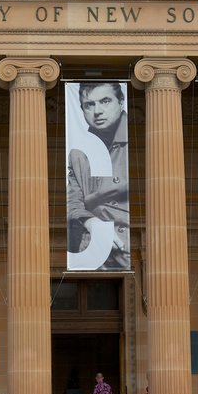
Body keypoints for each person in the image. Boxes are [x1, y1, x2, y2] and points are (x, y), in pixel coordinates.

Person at [67, 83, 130, 270]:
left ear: (121, 102)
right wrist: (92, 223)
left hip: (128, 245)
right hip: (93, 246)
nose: (97, 111)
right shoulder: (77, 152)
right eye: (89, 105)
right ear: (82, 109)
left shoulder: (147, 134)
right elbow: (72, 199)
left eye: (105, 101)